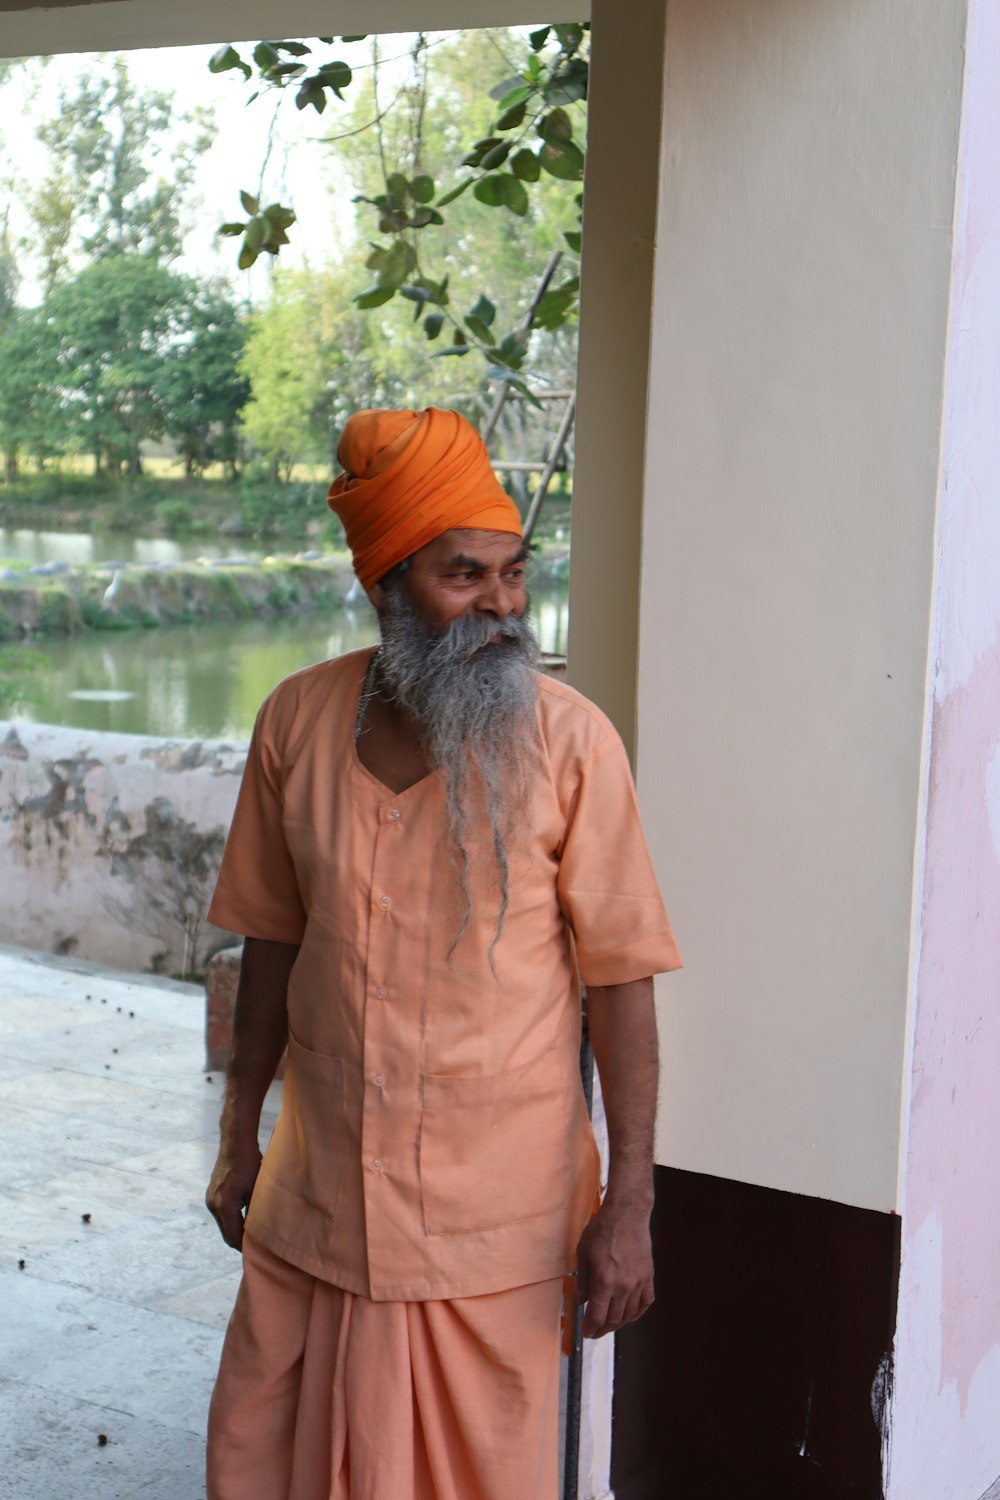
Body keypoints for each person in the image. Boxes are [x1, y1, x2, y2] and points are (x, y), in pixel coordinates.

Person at [204, 406, 682, 1500]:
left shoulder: (572, 743)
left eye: (513, 574)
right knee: (259, 1460)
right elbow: (270, 945)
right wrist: (240, 1138)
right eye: (464, 575)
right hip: (314, 1202)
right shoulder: (294, 721)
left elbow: (622, 988)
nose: (503, 606)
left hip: (492, 1236)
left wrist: (632, 1206)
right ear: (387, 585)